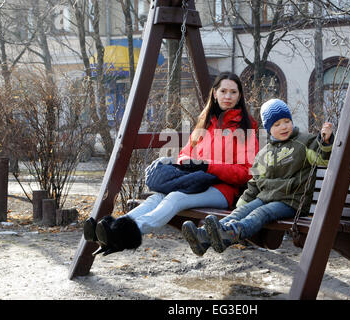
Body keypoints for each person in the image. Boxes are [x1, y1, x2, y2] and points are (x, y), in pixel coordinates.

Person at [83, 71, 259, 256]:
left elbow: (246, 172)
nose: (228, 96)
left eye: (233, 92)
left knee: (175, 198)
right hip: (194, 181)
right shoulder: (206, 123)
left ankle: (125, 234)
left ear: (240, 96)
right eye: (223, 91)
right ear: (215, 93)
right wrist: (184, 162)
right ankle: (113, 229)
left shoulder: (245, 128)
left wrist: (208, 166)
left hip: (223, 191)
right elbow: (185, 154)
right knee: (156, 197)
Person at [182, 98, 334, 255]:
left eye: (286, 121)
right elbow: (255, 182)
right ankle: (203, 237)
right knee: (241, 212)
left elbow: (322, 158)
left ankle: (232, 233)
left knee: (261, 213)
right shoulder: (264, 153)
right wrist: (242, 203)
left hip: (291, 201)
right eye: (277, 124)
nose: (283, 127)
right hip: (266, 197)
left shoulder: (304, 142)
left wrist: (326, 141)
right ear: (269, 129)